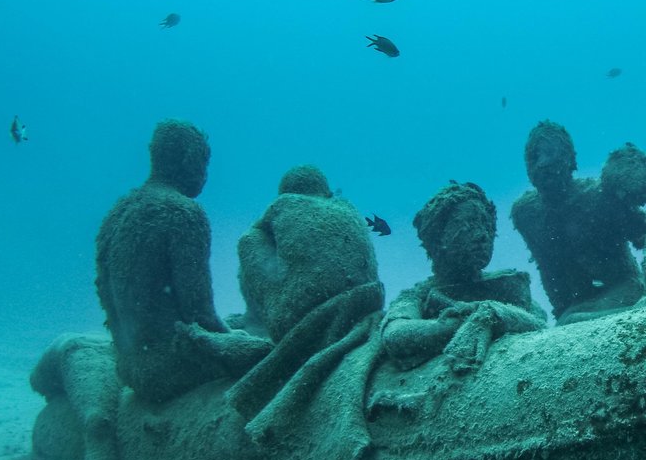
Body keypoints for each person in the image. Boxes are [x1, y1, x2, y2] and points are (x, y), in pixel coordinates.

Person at [94, 120, 268, 403]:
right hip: (170, 369)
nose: (205, 173)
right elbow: (200, 313)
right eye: (204, 162)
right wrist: (241, 342)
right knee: (277, 353)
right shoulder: (183, 213)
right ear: (189, 159)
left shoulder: (118, 211)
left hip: (130, 367)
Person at [380, 182, 545, 372]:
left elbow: (538, 322)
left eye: (488, 226)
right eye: (468, 223)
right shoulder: (417, 296)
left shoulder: (507, 286)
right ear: (436, 237)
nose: (483, 235)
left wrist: (492, 315)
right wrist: (458, 325)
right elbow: (395, 333)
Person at [510, 123, 646, 324]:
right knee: (568, 320)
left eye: (550, 153)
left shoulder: (600, 198)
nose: (542, 163)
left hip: (626, 289)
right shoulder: (526, 213)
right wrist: (562, 309)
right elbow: (548, 269)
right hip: (578, 303)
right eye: (535, 156)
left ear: (569, 159)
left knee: (571, 321)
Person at [237, 164, 379, 342]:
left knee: (249, 239)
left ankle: (256, 322)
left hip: (297, 320)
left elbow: (254, 241)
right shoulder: (348, 207)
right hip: (367, 304)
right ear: (325, 189)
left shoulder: (282, 205)